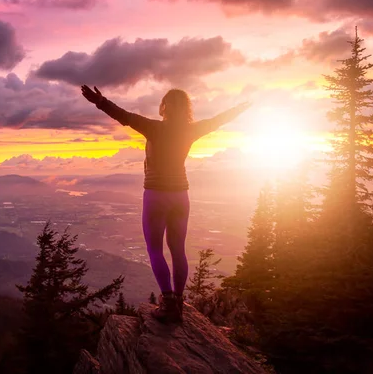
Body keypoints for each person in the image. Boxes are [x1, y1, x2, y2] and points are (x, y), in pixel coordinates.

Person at [81, 85, 251, 323]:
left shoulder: (154, 127)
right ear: (187, 110)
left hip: (156, 195)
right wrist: (241, 108)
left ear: (164, 107)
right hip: (181, 195)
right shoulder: (191, 130)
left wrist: (100, 101)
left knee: (155, 249)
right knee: (178, 249)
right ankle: (179, 302)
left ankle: (168, 303)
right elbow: (218, 120)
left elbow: (124, 116)